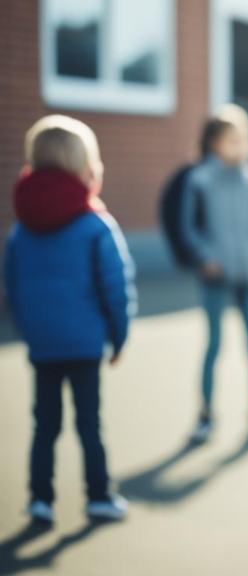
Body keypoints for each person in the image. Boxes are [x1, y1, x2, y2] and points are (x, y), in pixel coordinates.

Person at [3, 115, 136, 523]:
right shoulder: (96, 225)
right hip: (84, 344)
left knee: (44, 425)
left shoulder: (20, 230)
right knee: (88, 423)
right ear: (86, 168)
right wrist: (119, 336)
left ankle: (40, 498)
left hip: (42, 345)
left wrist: (30, 331)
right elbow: (116, 286)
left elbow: (12, 287)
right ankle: (98, 494)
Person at [180, 104, 248, 443]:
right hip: (214, 277)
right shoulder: (199, 181)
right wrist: (205, 256)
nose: (240, 145)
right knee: (214, 345)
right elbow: (188, 227)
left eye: (245, 138)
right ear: (214, 143)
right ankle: (205, 414)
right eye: (232, 139)